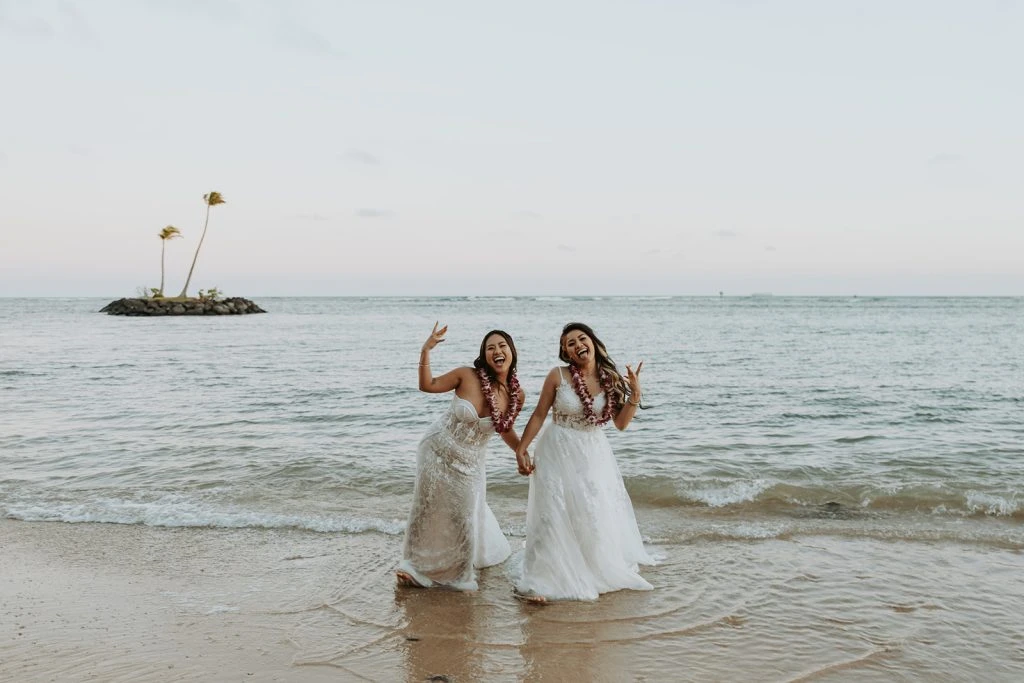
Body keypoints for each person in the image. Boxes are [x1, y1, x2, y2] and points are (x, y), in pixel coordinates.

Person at [512, 322, 655, 602]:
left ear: (592, 341)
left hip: (592, 453)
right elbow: (540, 414)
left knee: (588, 512)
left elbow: (621, 424)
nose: (578, 345)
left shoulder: (610, 379)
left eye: (581, 338)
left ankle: (587, 567)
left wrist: (635, 394)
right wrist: (521, 449)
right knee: (552, 512)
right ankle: (543, 578)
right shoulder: (558, 376)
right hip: (555, 448)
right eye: (570, 343)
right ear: (565, 353)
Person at [396, 323, 529, 590]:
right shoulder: (466, 375)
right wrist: (426, 350)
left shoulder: (517, 395)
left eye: (502, 346)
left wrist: (521, 452)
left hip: (471, 463)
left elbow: (505, 430)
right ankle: (413, 567)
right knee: (426, 508)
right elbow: (427, 385)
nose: (497, 351)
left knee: (463, 516)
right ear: (484, 355)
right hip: (436, 450)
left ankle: (459, 576)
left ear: (511, 352)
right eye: (490, 347)